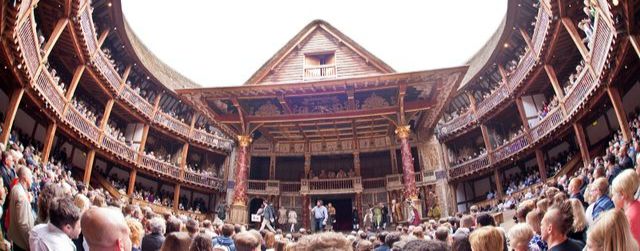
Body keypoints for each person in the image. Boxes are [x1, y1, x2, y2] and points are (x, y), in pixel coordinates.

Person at [8, 166, 34, 251]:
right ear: (25, 178)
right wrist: (29, 244)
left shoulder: (16, 187)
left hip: (16, 237)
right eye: (31, 177)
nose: (32, 180)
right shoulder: (21, 196)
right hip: (21, 243)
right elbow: (23, 225)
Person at [610, 169, 640, 244]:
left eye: (613, 195)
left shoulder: (628, 219)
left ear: (622, 195)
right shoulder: (637, 204)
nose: (612, 199)